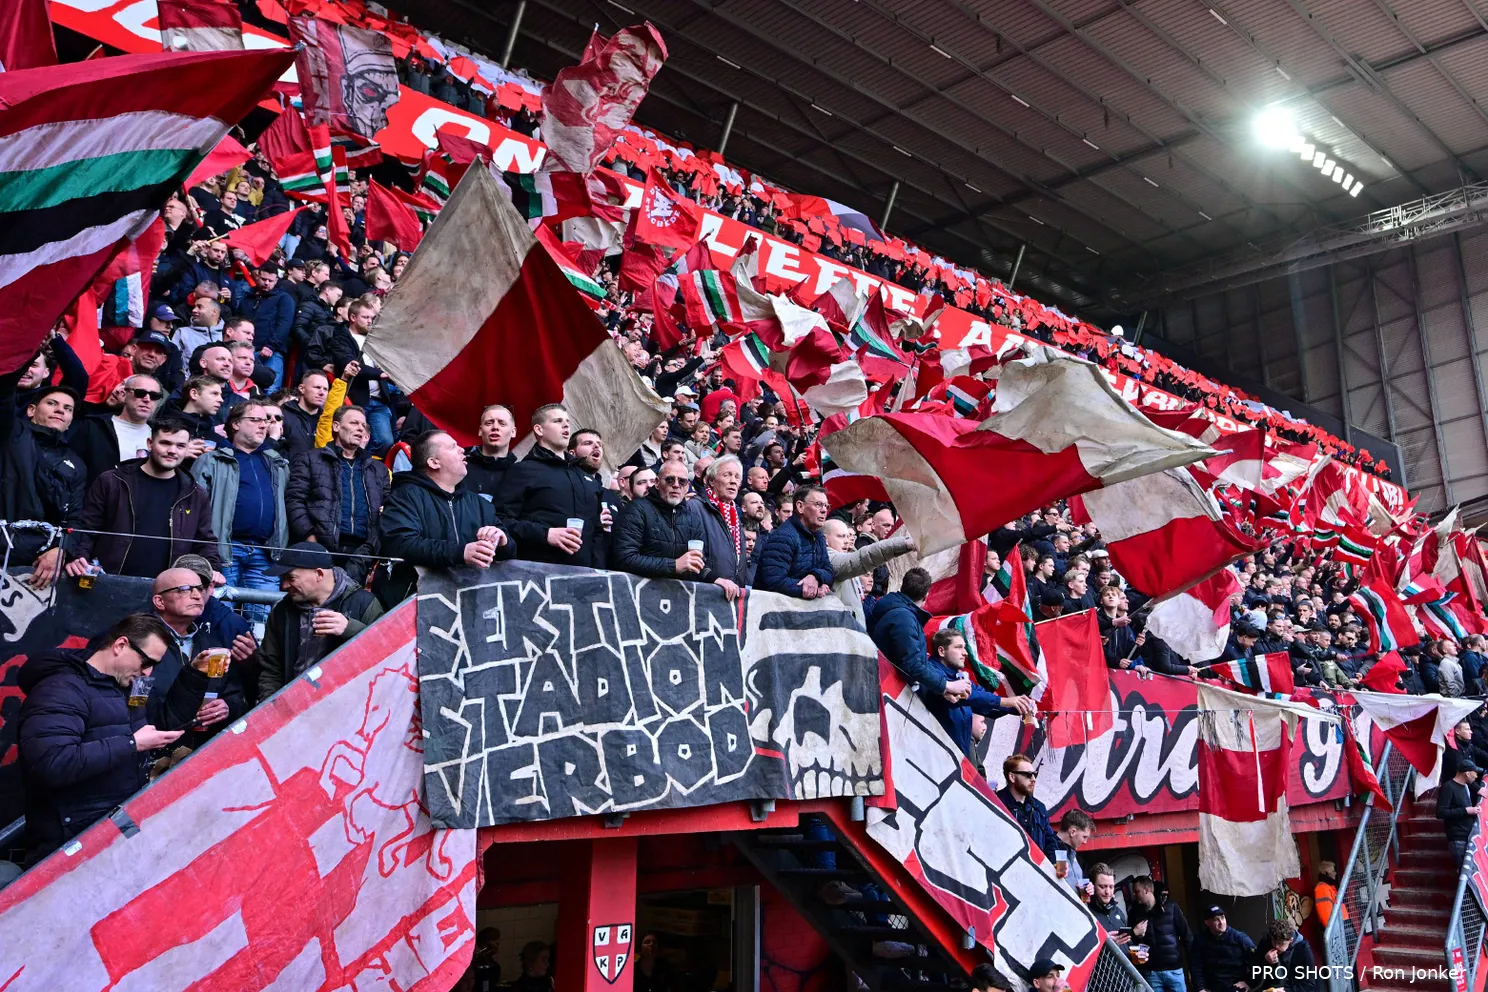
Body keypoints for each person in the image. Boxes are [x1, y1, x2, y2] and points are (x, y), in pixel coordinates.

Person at [15, 614, 201, 862]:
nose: (148, 672)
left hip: (117, 825)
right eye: (145, 661)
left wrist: (195, 675)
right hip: (72, 842)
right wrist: (132, 744)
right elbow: (52, 764)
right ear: (120, 645)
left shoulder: (130, 685)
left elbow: (160, 724)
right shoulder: (60, 689)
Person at [51, 418, 222, 581]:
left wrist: (213, 568)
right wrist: (78, 557)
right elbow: (87, 526)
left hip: (165, 591)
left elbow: (204, 540)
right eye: (165, 443)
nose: (172, 451)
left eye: (180, 446)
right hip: (108, 581)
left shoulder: (195, 493)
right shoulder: (112, 481)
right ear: (149, 444)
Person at [380, 430, 514, 602]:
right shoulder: (404, 496)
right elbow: (400, 543)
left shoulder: (479, 504)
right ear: (434, 462)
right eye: (452, 447)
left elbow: (510, 550)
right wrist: (461, 552)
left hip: (473, 603)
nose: (462, 450)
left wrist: (502, 541)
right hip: (417, 603)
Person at [192, 401, 291, 622]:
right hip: (223, 553)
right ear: (235, 424)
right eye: (255, 419)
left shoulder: (278, 464)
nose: (263, 425)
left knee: (261, 624)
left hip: (265, 555)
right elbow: (193, 510)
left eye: (265, 421)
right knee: (216, 620)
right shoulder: (211, 460)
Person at [256, 542, 386, 699]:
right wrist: (272, 708)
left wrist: (351, 629)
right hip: (293, 711)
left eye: (291, 578)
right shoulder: (281, 611)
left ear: (319, 574)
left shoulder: (364, 603)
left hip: (349, 709)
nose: (284, 585)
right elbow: (271, 669)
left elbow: (387, 653)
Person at [146, 566, 252, 745]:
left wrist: (227, 706)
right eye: (185, 589)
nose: (197, 595)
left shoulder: (213, 643)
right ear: (159, 601)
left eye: (200, 588)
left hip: (197, 751)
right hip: (149, 747)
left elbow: (235, 694)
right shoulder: (136, 638)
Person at [494, 404, 607, 568]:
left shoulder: (585, 477)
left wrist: (599, 571)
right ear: (539, 430)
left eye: (567, 421)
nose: (566, 425)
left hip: (584, 578)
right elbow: (500, 520)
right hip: (536, 576)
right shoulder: (522, 470)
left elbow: (597, 530)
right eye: (557, 421)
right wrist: (546, 534)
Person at [285, 404, 389, 582]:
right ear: (336, 427)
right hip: (319, 549)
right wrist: (310, 538)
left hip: (363, 553)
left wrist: (372, 548)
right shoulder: (310, 458)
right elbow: (294, 500)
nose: (360, 428)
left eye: (363, 426)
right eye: (354, 423)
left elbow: (386, 511)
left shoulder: (379, 469)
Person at [0, 377, 87, 567]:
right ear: (31, 410)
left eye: (68, 409)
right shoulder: (9, 434)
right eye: (52, 403)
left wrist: (62, 549)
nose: (60, 410)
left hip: (38, 563)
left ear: (70, 422)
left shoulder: (76, 464)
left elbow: (74, 518)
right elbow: (4, 396)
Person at [923, 629, 1035, 756]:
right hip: (935, 755)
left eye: (964, 648)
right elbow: (969, 697)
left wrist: (1019, 707)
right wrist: (1005, 701)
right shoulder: (932, 673)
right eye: (959, 647)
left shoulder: (959, 676)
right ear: (941, 651)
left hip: (954, 756)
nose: (965, 653)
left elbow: (983, 699)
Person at [612, 459, 721, 585]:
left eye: (682, 481)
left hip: (678, 598)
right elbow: (624, 558)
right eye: (670, 480)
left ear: (687, 487)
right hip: (639, 595)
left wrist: (716, 579)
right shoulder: (636, 509)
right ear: (657, 483)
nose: (676, 485)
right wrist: (674, 565)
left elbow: (698, 563)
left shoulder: (693, 519)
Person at [869, 568, 970, 701]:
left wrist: (942, 688)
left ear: (902, 586)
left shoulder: (900, 613)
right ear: (926, 596)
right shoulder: (904, 618)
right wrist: (947, 685)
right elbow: (912, 664)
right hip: (886, 692)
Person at [822, 517, 914, 628]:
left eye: (848, 536)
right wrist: (903, 544)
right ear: (824, 539)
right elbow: (864, 557)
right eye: (841, 536)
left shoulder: (842, 558)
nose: (847, 540)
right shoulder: (828, 559)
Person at [73, 374, 163, 484]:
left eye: (154, 396)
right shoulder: (92, 426)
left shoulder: (162, 435)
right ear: (124, 395)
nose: (147, 399)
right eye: (140, 393)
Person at [754, 485, 834, 598]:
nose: (824, 510)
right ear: (800, 506)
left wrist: (815, 576)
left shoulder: (819, 537)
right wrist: (812, 589)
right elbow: (773, 582)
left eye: (826, 506)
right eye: (818, 504)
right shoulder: (783, 537)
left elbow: (829, 571)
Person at [697, 455, 752, 596]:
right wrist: (713, 578)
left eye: (737, 477)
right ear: (710, 481)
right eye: (727, 475)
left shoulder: (735, 514)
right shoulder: (695, 507)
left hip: (732, 596)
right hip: (704, 593)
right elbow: (688, 552)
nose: (733, 481)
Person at [1129, 876, 1192, 992]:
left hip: (1174, 970)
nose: (1134, 894)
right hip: (1151, 972)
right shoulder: (1134, 913)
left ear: (1147, 890)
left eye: (1137, 891)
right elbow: (1130, 942)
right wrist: (1135, 935)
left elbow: (1187, 937)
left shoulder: (1171, 907)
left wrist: (1191, 968)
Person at [995, 753, 1056, 858]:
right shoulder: (996, 803)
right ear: (1012, 777)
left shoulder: (1039, 807)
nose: (1033, 779)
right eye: (1028, 775)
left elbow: (1050, 840)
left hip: (1035, 871)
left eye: (1034, 774)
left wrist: (1055, 862)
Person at [1190, 905, 1255, 992]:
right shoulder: (1200, 940)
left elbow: (1257, 961)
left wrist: (1249, 982)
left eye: (1223, 918)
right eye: (1216, 919)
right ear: (1207, 922)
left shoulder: (1240, 938)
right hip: (1212, 988)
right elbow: (1196, 967)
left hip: (1235, 986)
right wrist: (1200, 988)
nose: (1221, 922)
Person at [1249, 919, 1316, 992]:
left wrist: (1287, 990)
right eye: (1274, 942)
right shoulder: (1266, 941)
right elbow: (1254, 968)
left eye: (1280, 943)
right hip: (1269, 987)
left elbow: (1309, 983)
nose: (1276, 946)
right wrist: (1265, 961)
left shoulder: (1303, 950)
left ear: (1291, 940)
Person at [465, 404, 516, 500]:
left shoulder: (519, 473)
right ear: (480, 430)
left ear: (513, 432)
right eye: (489, 423)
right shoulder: (461, 466)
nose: (495, 427)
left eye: (502, 423)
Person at [1437, 756, 1479, 868]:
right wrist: (1466, 811)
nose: (1476, 776)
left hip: (1468, 837)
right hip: (1458, 839)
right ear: (1467, 773)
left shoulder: (1465, 787)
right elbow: (1441, 812)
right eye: (1474, 773)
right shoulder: (1448, 787)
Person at [280, 370, 330, 455]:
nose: (322, 393)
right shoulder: (282, 415)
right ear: (302, 388)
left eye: (325, 389)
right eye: (317, 387)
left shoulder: (327, 420)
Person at [1052, 809, 1095, 899]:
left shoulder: (1075, 855)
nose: (1085, 842)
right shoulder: (1051, 851)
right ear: (1072, 832)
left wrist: (1087, 890)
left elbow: (1085, 898)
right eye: (1084, 837)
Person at [1088, 864, 1129, 941]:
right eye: (1102, 887)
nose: (1107, 892)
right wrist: (1104, 942)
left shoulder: (1118, 911)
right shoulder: (1087, 914)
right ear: (1092, 885)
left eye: (1111, 887)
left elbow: (1127, 943)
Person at [470, 927, 502, 992]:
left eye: (497, 939)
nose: (497, 942)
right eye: (493, 939)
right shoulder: (474, 966)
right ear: (484, 943)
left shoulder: (495, 967)